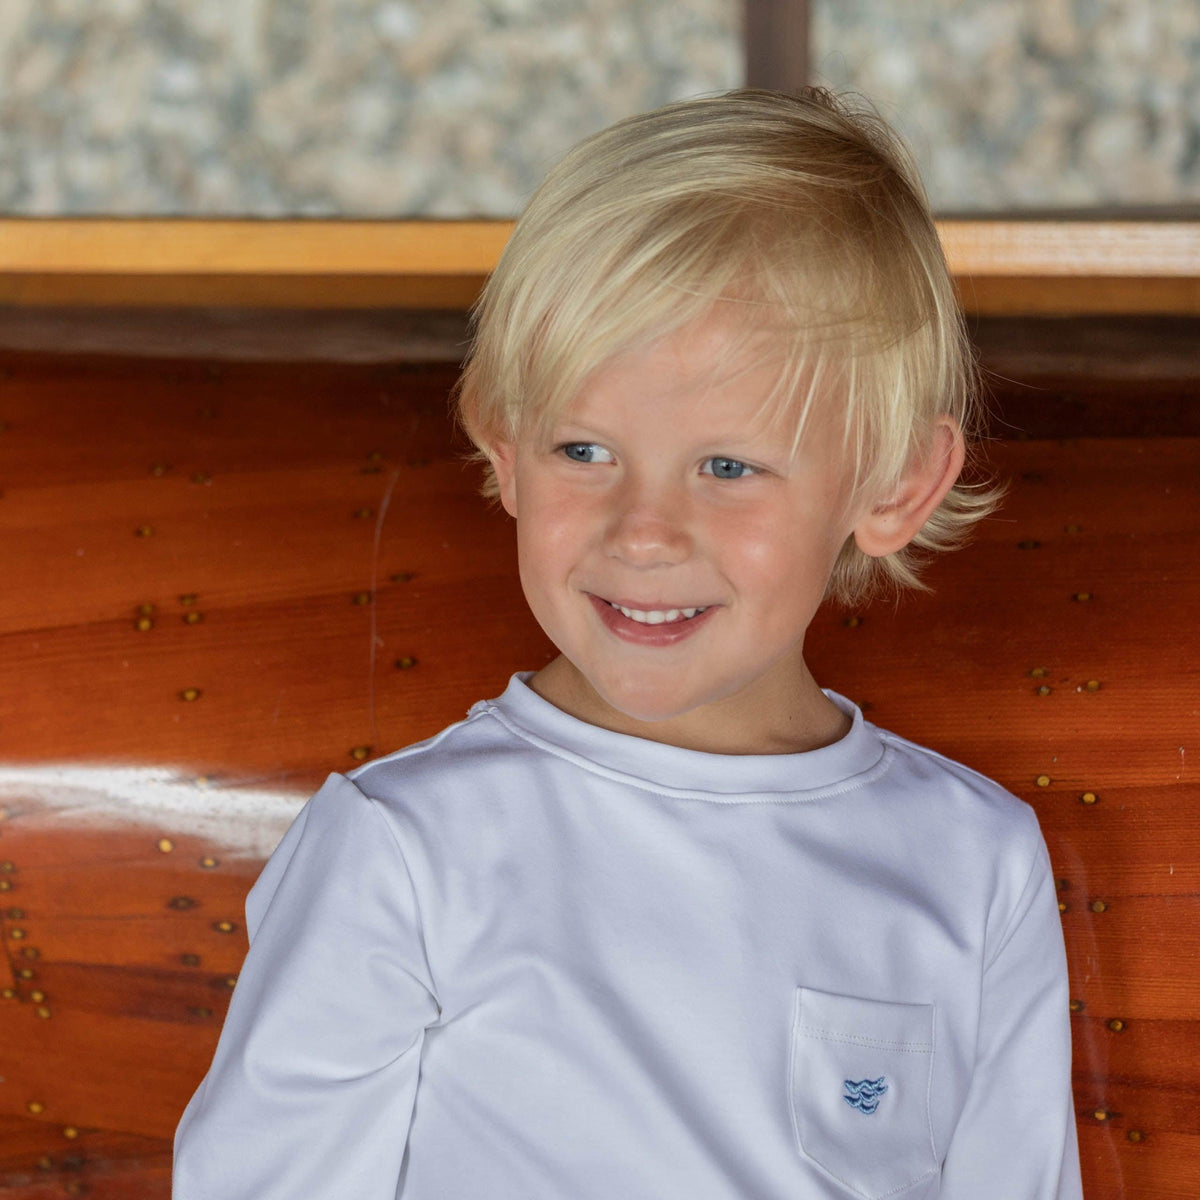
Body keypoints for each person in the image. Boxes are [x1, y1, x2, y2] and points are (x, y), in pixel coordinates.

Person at [172, 88, 1082, 1199]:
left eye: (729, 466)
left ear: (894, 486)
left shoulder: (975, 861)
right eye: (585, 449)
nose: (643, 531)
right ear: (502, 451)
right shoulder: (402, 853)